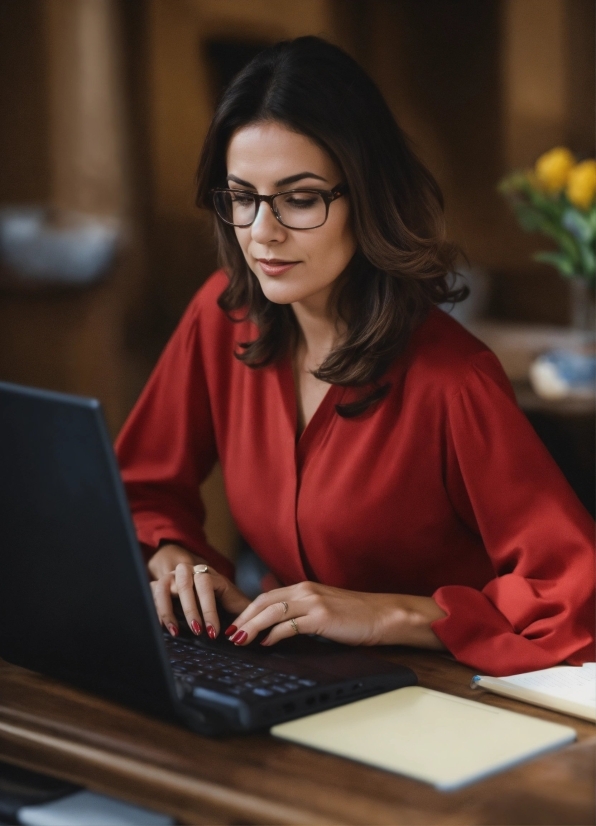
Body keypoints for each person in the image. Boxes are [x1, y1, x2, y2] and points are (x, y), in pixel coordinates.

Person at [116, 36, 594, 677]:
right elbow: (141, 485)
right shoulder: (222, 317)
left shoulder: (454, 381)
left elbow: (575, 596)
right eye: (241, 196)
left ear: (366, 196)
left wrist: (392, 613)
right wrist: (177, 560)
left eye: (301, 198)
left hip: (448, 696)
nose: (263, 231)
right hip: (291, 672)